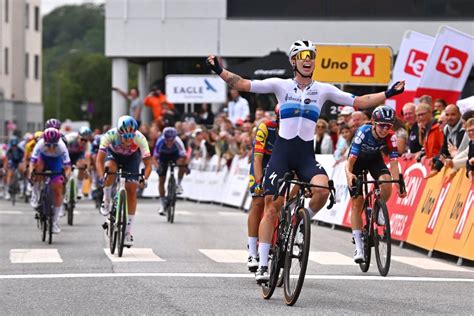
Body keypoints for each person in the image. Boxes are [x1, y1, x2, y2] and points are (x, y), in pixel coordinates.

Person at [206, 39, 405, 282]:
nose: (308, 59)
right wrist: (218, 70)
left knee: (322, 189)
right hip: (282, 154)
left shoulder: (323, 90)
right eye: (302, 56)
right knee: (271, 207)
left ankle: (301, 221)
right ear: (293, 61)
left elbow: (359, 102)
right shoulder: (280, 85)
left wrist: (389, 93)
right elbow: (244, 84)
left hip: (305, 156)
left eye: (311, 55)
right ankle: (263, 262)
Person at [345, 106, 407, 262]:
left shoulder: (391, 137)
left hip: (374, 160)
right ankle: (359, 248)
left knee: (387, 181)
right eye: (381, 125)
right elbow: (350, 162)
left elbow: (393, 164)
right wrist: (349, 175)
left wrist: (398, 184)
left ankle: (379, 208)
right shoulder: (362, 132)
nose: (385, 129)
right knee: (357, 203)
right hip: (356, 162)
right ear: (373, 122)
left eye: (388, 126)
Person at [96, 115, 152, 247]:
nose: (128, 140)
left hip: (131, 158)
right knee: (110, 169)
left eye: (131, 136)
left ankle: (127, 232)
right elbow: (99, 161)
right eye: (125, 137)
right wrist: (100, 177)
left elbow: (148, 165)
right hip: (113, 156)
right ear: (119, 133)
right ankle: (107, 199)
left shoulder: (140, 138)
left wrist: (144, 178)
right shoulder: (109, 135)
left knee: (132, 190)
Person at [247, 107, 279, 272]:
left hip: (280, 162)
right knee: (258, 201)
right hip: (263, 161)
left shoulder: (296, 130)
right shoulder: (266, 127)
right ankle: (252, 252)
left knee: (281, 201)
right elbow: (257, 157)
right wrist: (259, 182)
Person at [29, 128, 72, 234]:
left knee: (58, 189)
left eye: (54, 145)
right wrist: (31, 175)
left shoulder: (62, 146)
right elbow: (32, 162)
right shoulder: (40, 144)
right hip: (43, 159)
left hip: (56, 162)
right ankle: (35, 195)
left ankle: (54, 222)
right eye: (48, 145)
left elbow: (68, 167)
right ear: (44, 142)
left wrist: (65, 178)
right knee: (37, 170)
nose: (51, 148)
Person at [153, 127, 188, 215]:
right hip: (163, 157)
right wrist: (158, 167)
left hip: (175, 155)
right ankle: (162, 203)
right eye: (167, 140)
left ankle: (179, 184)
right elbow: (153, 158)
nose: (169, 142)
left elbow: (184, 156)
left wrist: (185, 167)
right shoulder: (160, 141)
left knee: (182, 163)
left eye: (171, 140)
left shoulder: (178, 141)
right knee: (161, 179)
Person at [64, 126, 93, 199]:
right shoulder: (69, 138)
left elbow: (87, 158)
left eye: (85, 140)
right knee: (65, 168)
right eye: (82, 139)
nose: (83, 142)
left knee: (82, 166)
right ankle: (64, 185)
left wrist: (87, 170)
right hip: (67, 154)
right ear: (78, 136)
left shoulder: (87, 145)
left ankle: (79, 189)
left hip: (78, 155)